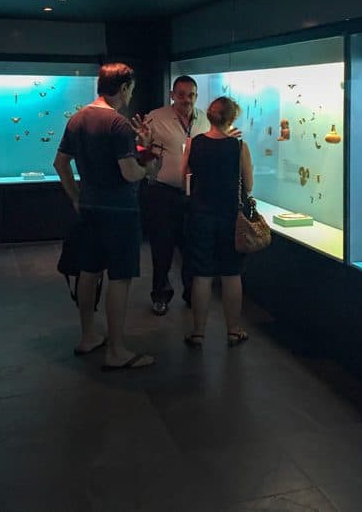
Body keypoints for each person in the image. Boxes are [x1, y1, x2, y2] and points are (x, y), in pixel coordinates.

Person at [53, 62, 157, 371]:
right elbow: (128, 172)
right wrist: (148, 167)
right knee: (120, 277)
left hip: (90, 208)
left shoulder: (77, 119)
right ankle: (117, 350)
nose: (130, 96)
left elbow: (60, 163)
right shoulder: (119, 124)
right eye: (131, 90)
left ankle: (88, 337)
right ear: (124, 87)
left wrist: (75, 197)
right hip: (120, 212)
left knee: (89, 271)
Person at [181, 96, 252, 348]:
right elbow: (249, 184)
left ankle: (198, 332)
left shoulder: (194, 143)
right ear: (232, 118)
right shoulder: (239, 146)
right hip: (231, 217)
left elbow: (184, 179)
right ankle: (233, 330)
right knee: (231, 273)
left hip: (200, 215)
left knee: (201, 275)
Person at [140, 76, 210, 315]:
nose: (186, 100)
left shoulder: (205, 119)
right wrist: (143, 141)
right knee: (162, 248)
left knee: (192, 247)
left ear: (196, 96)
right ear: (172, 95)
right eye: (181, 95)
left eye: (191, 95)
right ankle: (160, 295)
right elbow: (142, 147)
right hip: (162, 193)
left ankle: (192, 294)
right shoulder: (156, 117)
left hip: (195, 195)